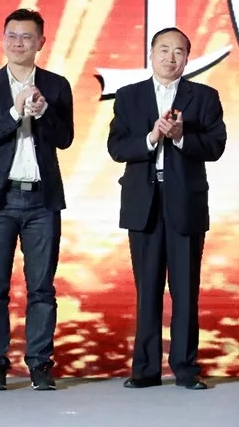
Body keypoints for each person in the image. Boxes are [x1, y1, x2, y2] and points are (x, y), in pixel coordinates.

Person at [107, 27, 225, 391]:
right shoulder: (129, 96)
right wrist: (152, 137)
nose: (170, 57)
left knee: (185, 289)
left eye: (178, 51)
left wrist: (181, 137)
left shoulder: (203, 96)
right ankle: (145, 369)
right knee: (148, 289)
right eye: (164, 49)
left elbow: (216, 146)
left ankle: (186, 369)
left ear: (187, 57)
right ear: (151, 53)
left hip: (185, 202)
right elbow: (117, 147)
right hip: (143, 202)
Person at [0, 8, 74, 391]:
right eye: (12, 36)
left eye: (27, 37)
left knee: (42, 287)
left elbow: (65, 139)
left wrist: (44, 113)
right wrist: (16, 111)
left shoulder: (57, 86)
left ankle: (40, 363)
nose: (18, 43)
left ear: (40, 42)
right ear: (3, 39)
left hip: (42, 201)